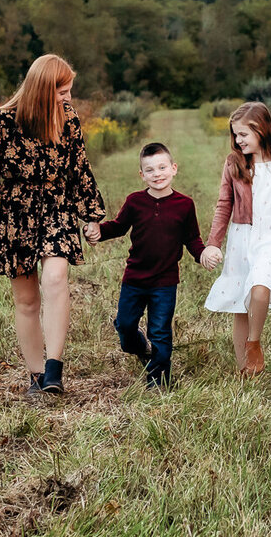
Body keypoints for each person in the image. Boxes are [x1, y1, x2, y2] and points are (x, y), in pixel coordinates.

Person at [0, 54, 106, 396]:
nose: (68, 98)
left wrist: (90, 215)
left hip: (57, 208)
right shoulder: (2, 122)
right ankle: (35, 377)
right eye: (63, 91)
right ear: (44, 88)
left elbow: (79, 171)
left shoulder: (68, 120)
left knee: (56, 278)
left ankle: (54, 368)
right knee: (27, 301)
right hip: (14, 216)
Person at [90, 143, 205, 389]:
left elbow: (192, 238)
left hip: (165, 282)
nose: (157, 174)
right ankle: (139, 346)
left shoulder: (185, 205)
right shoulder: (135, 202)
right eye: (150, 170)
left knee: (160, 331)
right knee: (125, 325)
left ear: (174, 169)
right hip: (135, 278)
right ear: (142, 175)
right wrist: (99, 231)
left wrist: (202, 254)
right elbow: (119, 226)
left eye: (162, 167)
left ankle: (158, 380)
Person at [200, 102, 271, 376]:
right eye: (235, 135)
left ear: (261, 130)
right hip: (242, 236)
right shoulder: (234, 163)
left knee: (260, 287)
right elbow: (223, 204)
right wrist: (213, 242)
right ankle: (247, 370)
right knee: (240, 301)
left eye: (243, 135)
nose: (238, 141)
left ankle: (254, 342)